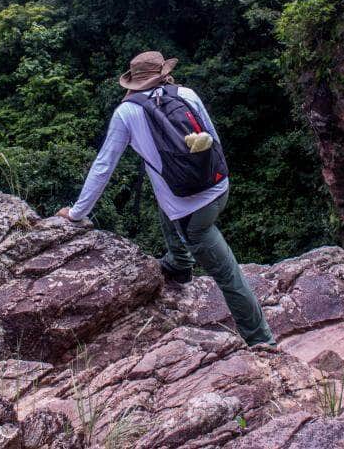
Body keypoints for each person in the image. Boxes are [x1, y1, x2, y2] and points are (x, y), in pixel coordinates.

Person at [56, 51, 275, 347]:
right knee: (163, 188)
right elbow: (212, 138)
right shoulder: (185, 93)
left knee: (228, 276)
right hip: (219, 187)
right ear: (162, 73)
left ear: (133, 82)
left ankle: (262, 341)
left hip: (191, 213)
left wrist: (76, 213)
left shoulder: (127, 113)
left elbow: (104, 165)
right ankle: (180, 263)